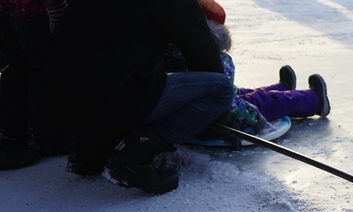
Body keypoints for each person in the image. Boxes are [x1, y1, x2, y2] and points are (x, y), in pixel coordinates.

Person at [47, 0, 235, 193]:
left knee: (140, 62)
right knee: (220, 88)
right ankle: (135, 153)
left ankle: (90, 153)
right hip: (106, 103)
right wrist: (220, 118)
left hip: (60, 103)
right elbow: (202, 53)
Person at [166, 0, 329, 143]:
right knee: (262, 102)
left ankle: (281, 87)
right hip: (218, 117)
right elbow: (227, 102)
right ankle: (314, 100)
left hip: (189, 109)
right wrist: (257, 120)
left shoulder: (170, 52)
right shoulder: (219, 60)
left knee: (242, 92)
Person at [0, 0, 67, 171]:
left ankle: (15, 135)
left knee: (15, 67)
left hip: (7, 8)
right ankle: (47, 138)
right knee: (42, 68)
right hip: (33, 9)